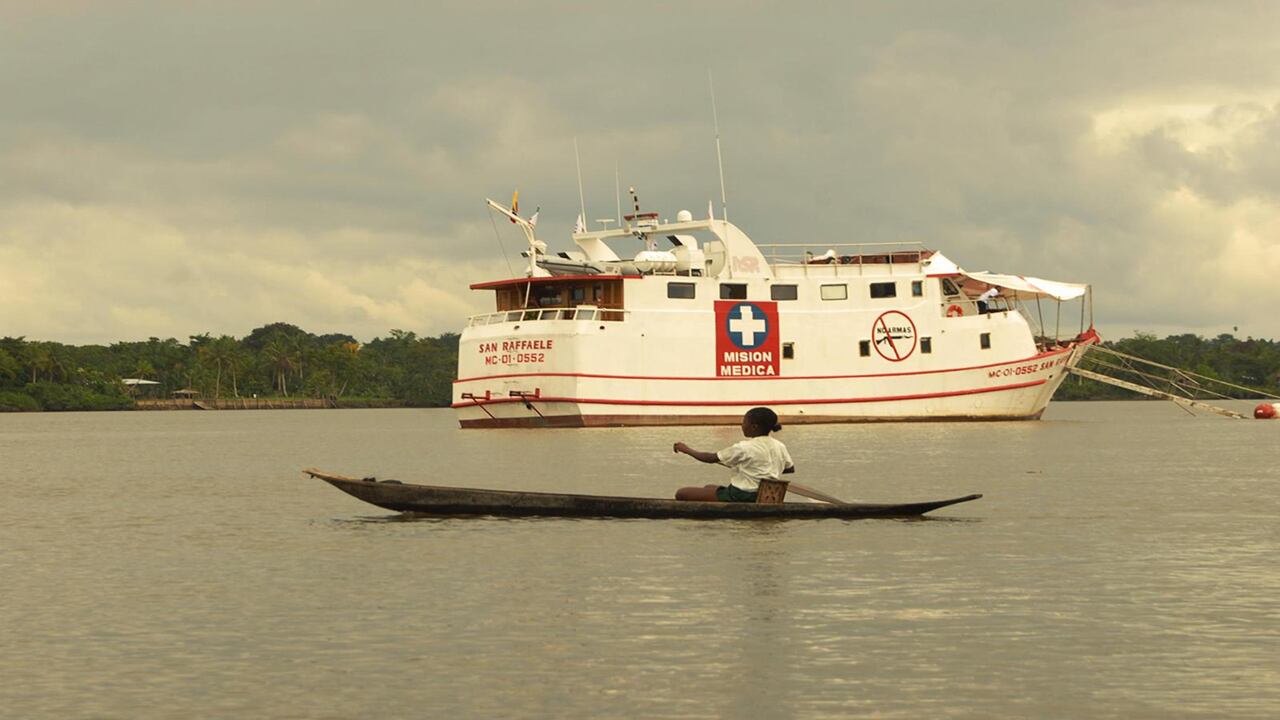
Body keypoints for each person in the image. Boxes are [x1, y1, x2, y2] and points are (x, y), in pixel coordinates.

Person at [672, 407, 795, 502]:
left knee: (681, 493)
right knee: (708, 487)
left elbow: (710, 458)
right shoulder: (780, 446)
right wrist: (759, 468)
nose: (742, 426)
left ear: (754, 427)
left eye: (744, 422)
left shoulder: (744, 447)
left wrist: (686, 450)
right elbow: (790, 468)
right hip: (767, 494)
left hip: (742, 495)